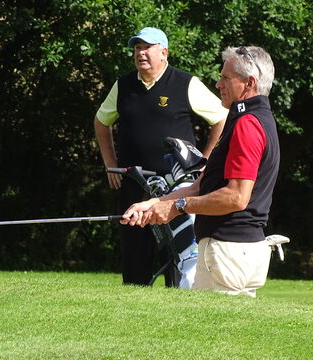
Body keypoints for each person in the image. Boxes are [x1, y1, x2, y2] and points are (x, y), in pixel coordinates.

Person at [120, 46, 280, 297]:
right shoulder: (249, 119)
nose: (218, 84)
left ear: (249, 83)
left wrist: (178, 207)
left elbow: (236, 197)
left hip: (229, 251)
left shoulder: (248, 125)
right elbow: (200, 185)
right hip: (236, 252)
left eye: (226, 78)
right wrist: (155, 203)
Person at [94, 27, 227, 286]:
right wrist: (110, 164)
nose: (140, 53)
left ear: (163, 52)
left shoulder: (185, 83)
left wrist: (206, 163)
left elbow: (221, 118)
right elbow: (101, 122)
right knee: (134, 252)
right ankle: (134, 300)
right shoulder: (123, 85)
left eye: (147, 48)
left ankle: (177, 300)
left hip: (176, 185)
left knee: (177, 252)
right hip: (133, 181)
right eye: (137, 48)